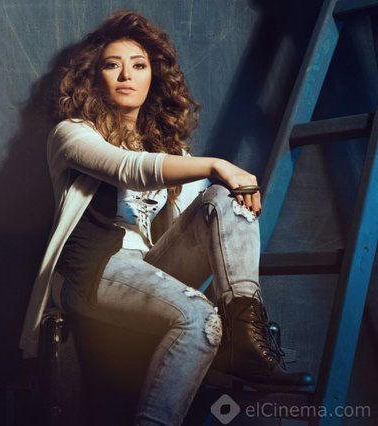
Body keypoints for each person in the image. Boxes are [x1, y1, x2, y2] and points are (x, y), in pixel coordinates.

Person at [19, 10, 312, 425]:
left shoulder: (170, 151)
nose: (127, 75)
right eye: (112, 65)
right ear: (94, 77)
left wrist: (226, 184)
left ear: (153, 76)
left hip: (148, 267)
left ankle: (245, 335)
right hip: (92, 271)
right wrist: (218, 164)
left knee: (224, 199)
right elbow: (128, 168)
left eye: (139, 66)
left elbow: (209, 220)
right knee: (199, 318)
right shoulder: (71, 134)